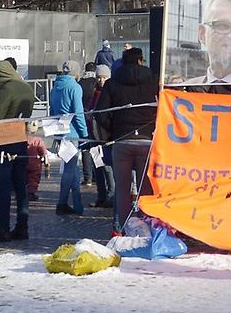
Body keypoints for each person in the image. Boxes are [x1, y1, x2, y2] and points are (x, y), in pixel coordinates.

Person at [93, 45, 160, 234]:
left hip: (121, 141)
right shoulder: (154, 81)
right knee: (145, 189)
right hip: (147, 141)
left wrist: (113, 130)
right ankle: (147, 229)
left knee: (122, 190)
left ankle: (123, 230)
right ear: (141, 60)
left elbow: (101, 113)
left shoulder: (112, 84)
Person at [0, 57, 34, 242]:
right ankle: (22, 226)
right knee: (21, 187)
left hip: (2, 142)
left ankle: (3, 227)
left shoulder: (5, 89)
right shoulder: (26, 87)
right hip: (20, 139)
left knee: (2, 187)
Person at [50, 62, 88, 216]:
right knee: (70, 170)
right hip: (73, 133)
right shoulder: (74, 87)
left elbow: (52, 110)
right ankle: (62, 202)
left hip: (60, 130)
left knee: (72, 169)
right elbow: (78, 112)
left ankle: (77, 204)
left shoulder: (54, 87)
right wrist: (85, 133)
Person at [80, 62, 112, 208]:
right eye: (99, 77)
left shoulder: (110, 92)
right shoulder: (94, 93)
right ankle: (101, 195)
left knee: (108, 167)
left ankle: (111, 195)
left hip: (106, 135)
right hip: (94, 134)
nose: (101, 80)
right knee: (98, 166)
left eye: (104, 77)